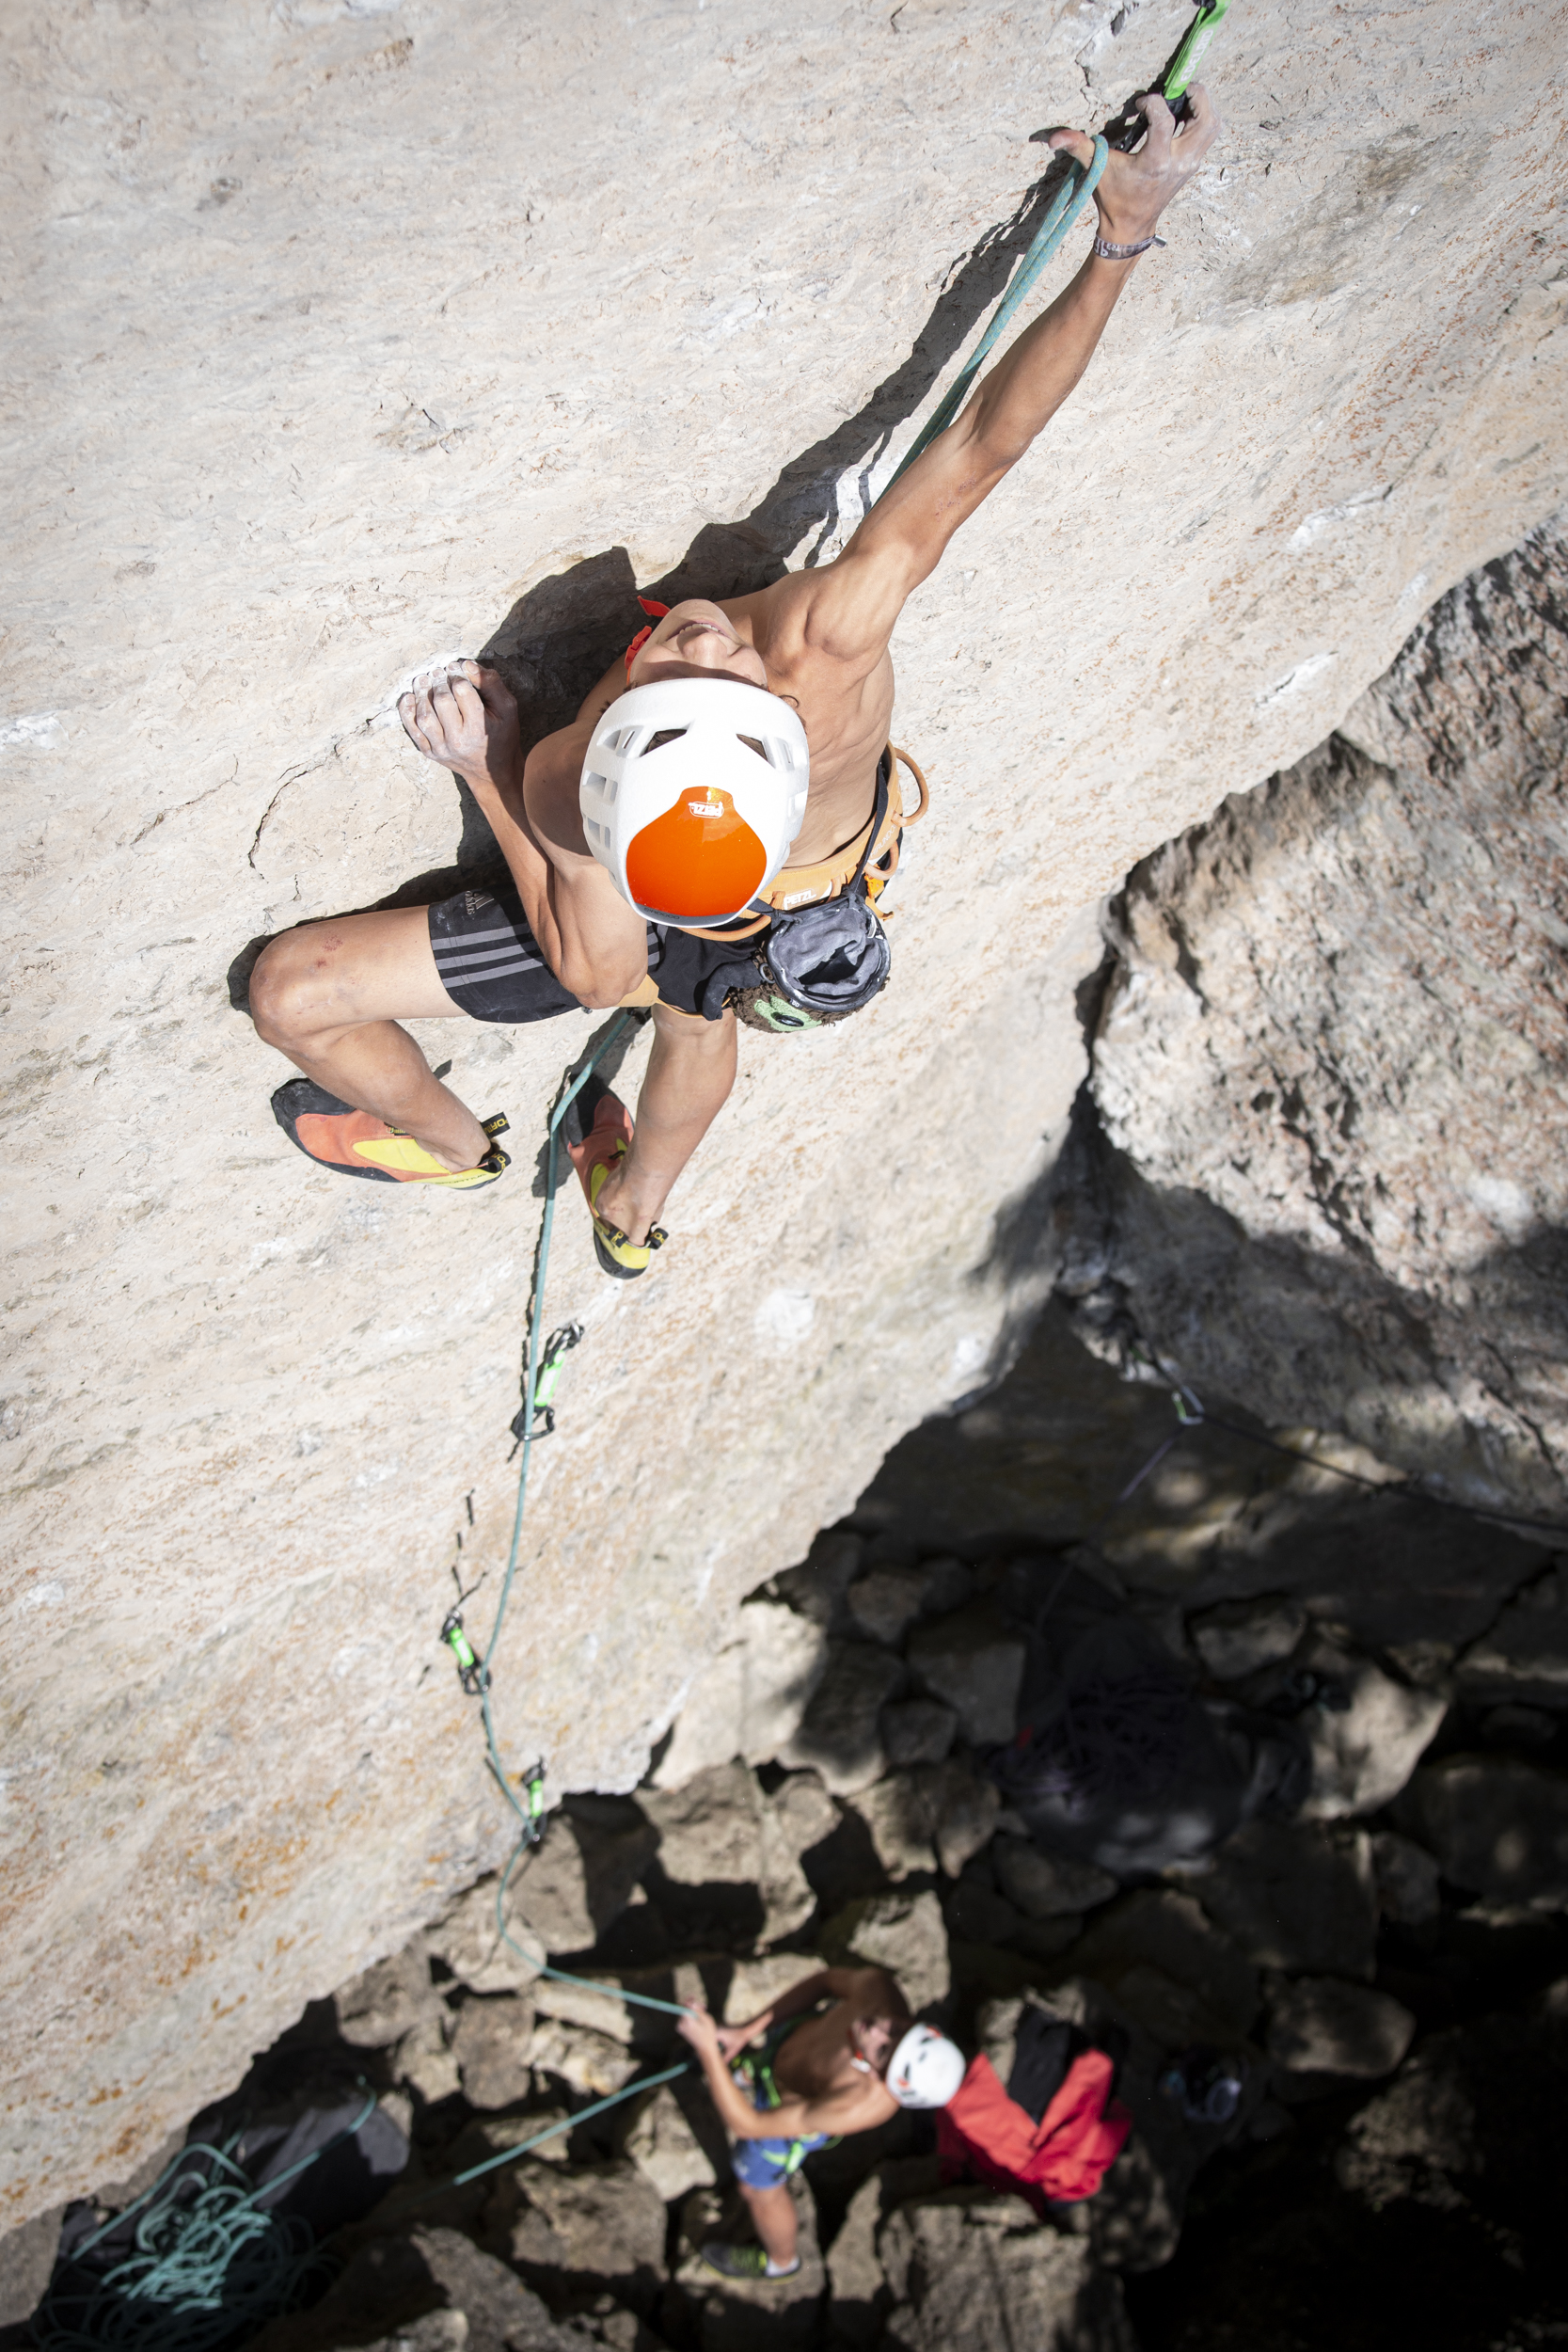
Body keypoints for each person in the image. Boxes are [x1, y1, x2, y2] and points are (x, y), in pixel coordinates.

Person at [249, 90, 1220, 1275]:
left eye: (707, 661)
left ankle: (541, 1175)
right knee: (673, 1000)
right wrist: (1116, 234)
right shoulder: (690, 717)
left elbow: (984, 451)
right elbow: (977, 456)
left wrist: (487, 770)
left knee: (348, 995)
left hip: (747, 882)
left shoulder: (692, 719)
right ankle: (543, 1175)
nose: (706, 636)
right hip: (750, 880)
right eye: (681, 663)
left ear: (785, 728)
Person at [675, 1964, 965, 2283]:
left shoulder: (857, 2103)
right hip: (785, 2048)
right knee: (761, 2063)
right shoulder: (880, 1992)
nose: (876, 2029)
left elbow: (749, 2125)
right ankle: (746, 2069)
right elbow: (824, 1981)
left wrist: (707, 2050)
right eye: (897, 2029)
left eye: (883, 2050)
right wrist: (746, 2031)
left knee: (757, 2188)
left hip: (786, 2109)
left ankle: (780, 2262)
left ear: (882, 2077)